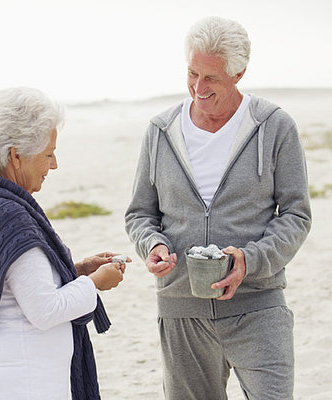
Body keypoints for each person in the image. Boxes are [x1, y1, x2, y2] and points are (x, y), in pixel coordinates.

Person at [125, 16, 311, 400]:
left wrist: (251, 259)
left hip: (258, 306)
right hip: (181, 310)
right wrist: (152, 245)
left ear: (238, 73)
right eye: (192, 73)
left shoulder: (274, 127)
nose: (198, 88)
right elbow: (140, 213)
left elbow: (296, 215)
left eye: (211, 78)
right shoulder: (160, 131)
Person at [0, 87, 129, 400]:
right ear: (17, 156)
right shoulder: (7, 215)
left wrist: (77, 271)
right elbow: (44, 309)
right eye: (48, 154)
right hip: (19, 382)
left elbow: (8, 282)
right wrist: (95, 283)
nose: (54, 164)